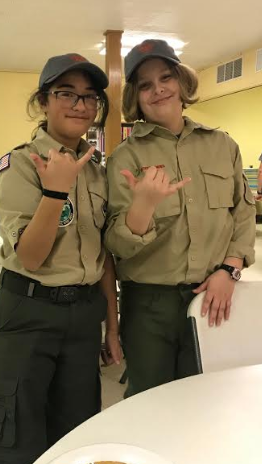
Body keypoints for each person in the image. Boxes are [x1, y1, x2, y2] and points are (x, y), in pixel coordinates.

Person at [0, 53, 121, 464]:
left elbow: (103, 255)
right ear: (43, 101)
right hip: (28, 312)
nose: (80, 105)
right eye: (66, 94)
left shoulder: (97, 170)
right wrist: (56, 191)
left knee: (76, 434)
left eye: (89, 97)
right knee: (15, 439)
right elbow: (32, 256)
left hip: (82, 316)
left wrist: (111, 327)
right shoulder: (20, 164)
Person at [105, 39, 256, 398]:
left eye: (166, 77)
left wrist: (230, 268)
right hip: (149, 305)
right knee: (150, 400)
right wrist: (142, 205)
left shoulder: (223, 145)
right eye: (145, 84)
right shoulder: (125, 158)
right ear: (135, 97)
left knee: (209, 396)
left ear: (181, 82)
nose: (158, 89)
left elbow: (243, 213)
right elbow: (116, 245)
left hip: (214, 294)